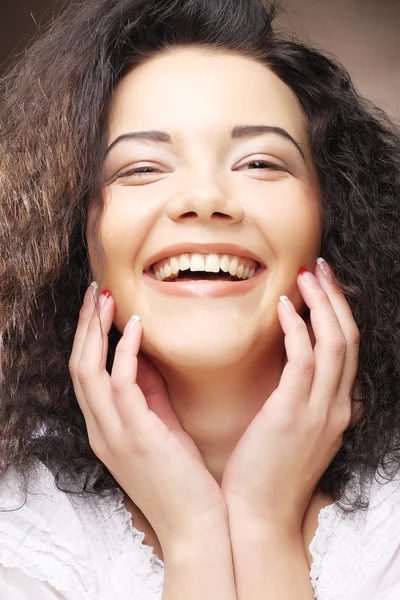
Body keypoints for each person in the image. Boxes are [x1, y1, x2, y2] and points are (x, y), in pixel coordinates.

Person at [0, 0, 399, 598]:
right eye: (140, 168)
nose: (206, 198)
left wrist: (263, 526)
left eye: (260, 162)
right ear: (76, 235)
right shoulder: (21, 532)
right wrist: (194, 538)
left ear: (335, 217)